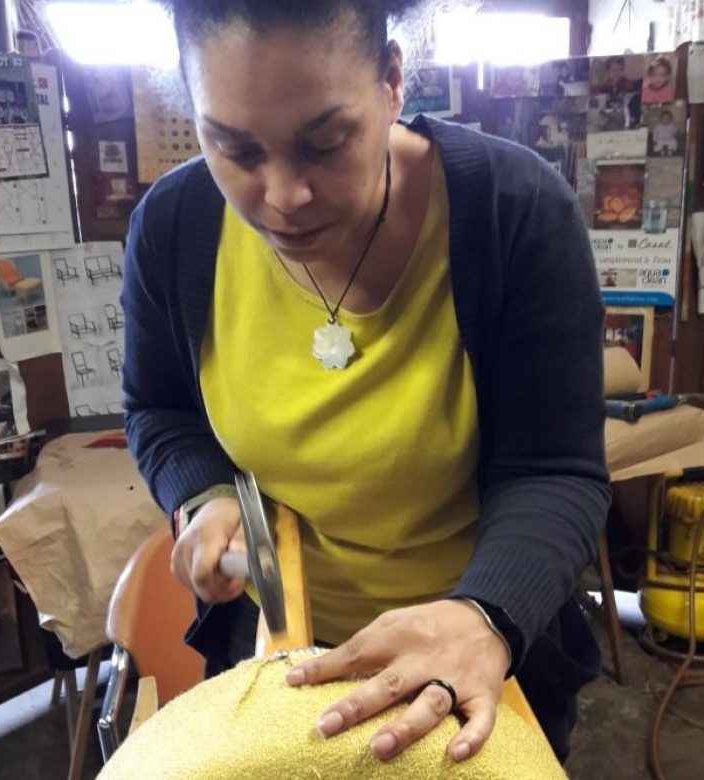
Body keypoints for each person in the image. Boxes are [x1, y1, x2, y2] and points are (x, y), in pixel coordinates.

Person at [123, 0, 609, 768]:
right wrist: (208, 493)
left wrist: (484, 616)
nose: (284, 195)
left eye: (324, 144)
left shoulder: (511, 211)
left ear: (391, 81)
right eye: (235, 149)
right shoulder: (174, 227)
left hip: (471, 650)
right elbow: (160, 411)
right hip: (277, 652)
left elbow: (555, 471)